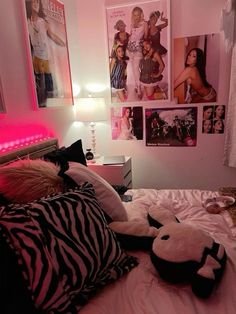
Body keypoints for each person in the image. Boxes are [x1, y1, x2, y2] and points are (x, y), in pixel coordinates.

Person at [26, 0, 65, 106]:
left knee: (49, 84)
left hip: (46, 58)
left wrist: (63, 43)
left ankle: (49, 103)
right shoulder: (27, 22)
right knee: (38, 84)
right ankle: (41, 104)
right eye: (34, 3)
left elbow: (52, 35)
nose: (36, 5)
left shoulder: (42, 22)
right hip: (36, 59)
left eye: (38, 3)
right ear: (29, 5)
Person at [126, 6, 148, 98]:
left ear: (141, 14)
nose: (136, 17)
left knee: (136, 69)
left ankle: (139, 88)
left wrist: (144, 47)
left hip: (138, 48)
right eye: (134, 15)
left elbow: (146, 37)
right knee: (133, 69)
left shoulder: (145, 24)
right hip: (129, 48)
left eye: (138, 14)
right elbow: (131, 36)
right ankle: (136, 85)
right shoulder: (132, 24)